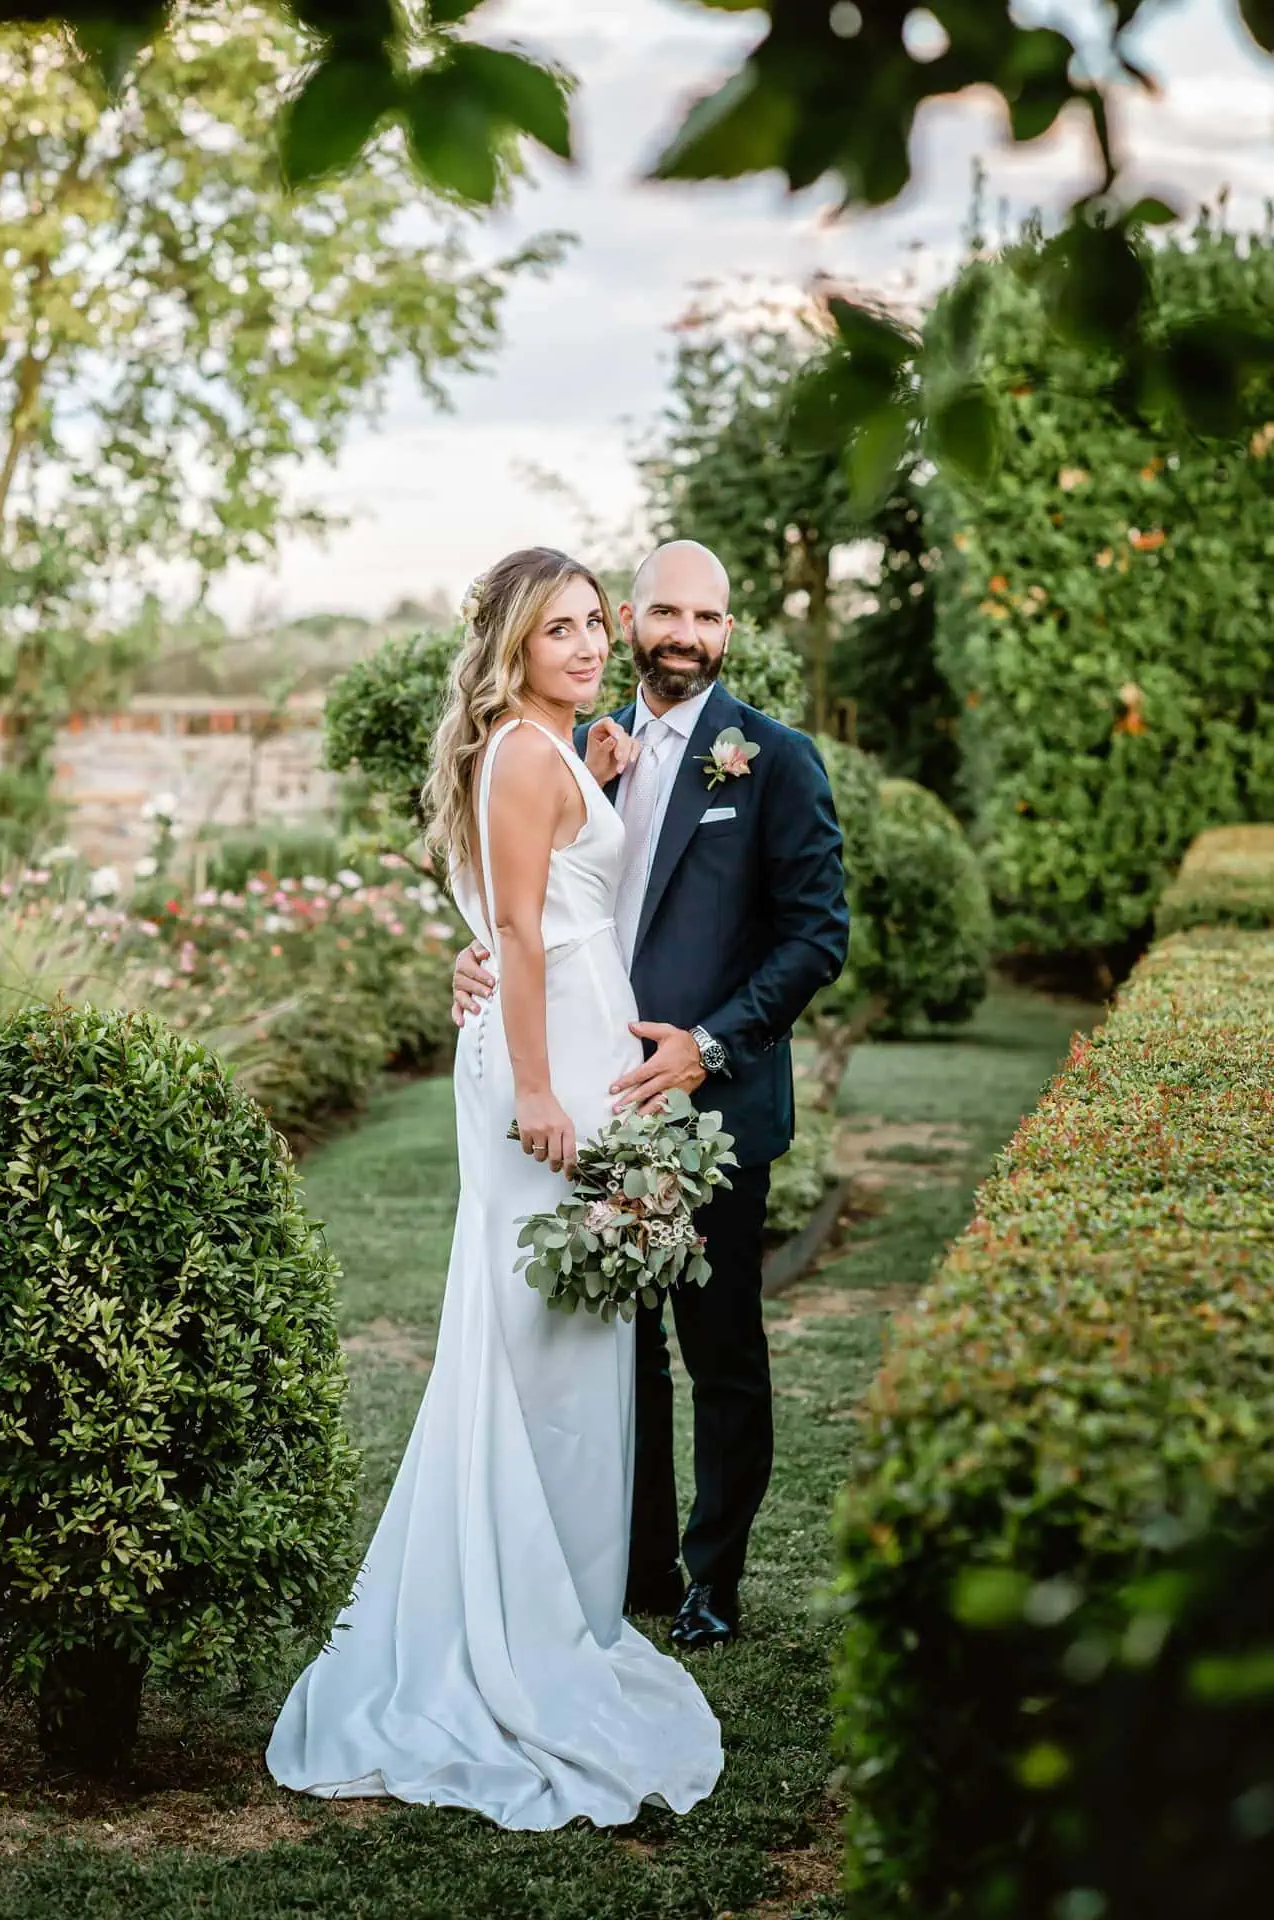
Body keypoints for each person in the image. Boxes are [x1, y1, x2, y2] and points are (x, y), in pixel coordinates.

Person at [267, 547, 723, 1829]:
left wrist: (612, 767)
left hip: (581, 1045)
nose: (588, 646)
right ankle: (517, 1634)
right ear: (515, 647)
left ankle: (557, 1614)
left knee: (571, 1353)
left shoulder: (563, 747)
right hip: (547, 1065)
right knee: (535, 1349)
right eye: (561, 631)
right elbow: (519, 932)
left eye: (596, 625)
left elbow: (549, 901)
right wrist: (533, 1084)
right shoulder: (526, 756)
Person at [452, 540, 849, 1652]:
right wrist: (475, 957)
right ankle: (629, 1566)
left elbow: (817, 936)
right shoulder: (575, 744)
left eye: (707, 619)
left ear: (730, 631)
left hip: (708, 1115)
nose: (685, 634)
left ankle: (712, 1580)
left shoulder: (775, 761)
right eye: (665, 612)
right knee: (613, 1353)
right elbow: (537, 905)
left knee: (719, 1350)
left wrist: (709, 1047)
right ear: (630, 618)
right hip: (590, 1097)